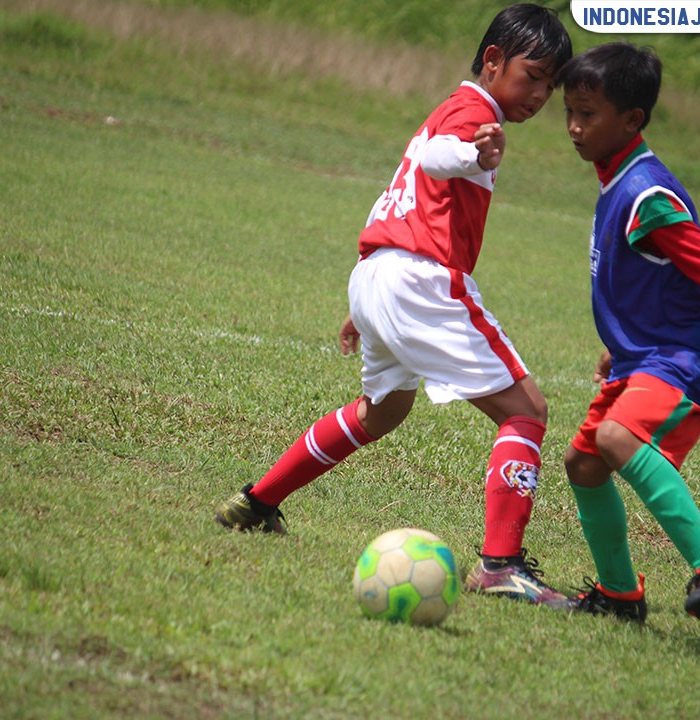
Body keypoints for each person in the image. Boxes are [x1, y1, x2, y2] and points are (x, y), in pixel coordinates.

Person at [215, 4, 573, 609]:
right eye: (533, 76)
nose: (540, 95)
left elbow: (407, 190)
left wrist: (369, 302)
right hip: (420, 280)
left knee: (379, 414)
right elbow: (438, 158)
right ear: (492, 61)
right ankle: (501, 566)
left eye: (550, 86)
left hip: (378, 273)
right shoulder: (474, 114)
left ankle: (257, 501)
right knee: (527, 412)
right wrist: (476, 155)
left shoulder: (450, 109)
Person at [557, 43, 700, 621]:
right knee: (583, 465)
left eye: (588, 114)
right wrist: (622, 346)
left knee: (615, 438)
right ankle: (619, 595)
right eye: (569, 112)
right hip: (646, 357)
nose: (574, 127)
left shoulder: (647, 194)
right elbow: (654, 279)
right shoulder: (618, 180)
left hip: (682, 361)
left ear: (632, 120)